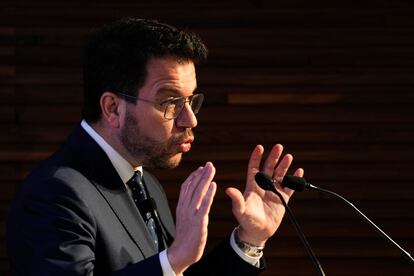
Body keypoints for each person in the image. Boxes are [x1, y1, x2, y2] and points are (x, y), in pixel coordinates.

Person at [6, 17, 304, 275]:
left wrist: (249, 240)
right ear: (112, 108)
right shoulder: (54, 192)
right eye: (171, 102)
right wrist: (174, 258)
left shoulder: (144, 182)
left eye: (191, 101)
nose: (190, 120)